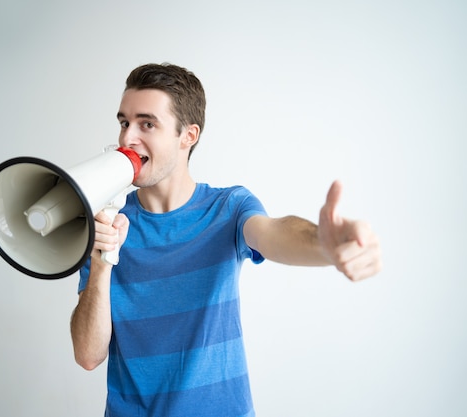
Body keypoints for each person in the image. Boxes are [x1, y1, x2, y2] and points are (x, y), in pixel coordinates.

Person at [70, 63, 382, 416]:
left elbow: (274, 233)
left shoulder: (228, 208)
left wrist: (325, 246)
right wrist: (101, 260)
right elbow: (88, 355)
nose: (127, 138)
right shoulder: (104, 222)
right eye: (124, 122)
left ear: (188, 135)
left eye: (147, 124)